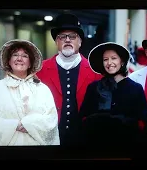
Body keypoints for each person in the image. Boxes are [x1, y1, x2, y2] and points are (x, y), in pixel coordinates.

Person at [36, 13, 102, 146]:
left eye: (72, 36)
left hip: (84, 141)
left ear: (80, 41)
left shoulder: (95, 71)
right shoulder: (40, 69)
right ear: (56, 41)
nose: (67, 40)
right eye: (62, 37)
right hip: (48, 139)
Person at [0, 39, 60, 146]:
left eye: (25, 56)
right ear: (8, 61)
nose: (19, 59)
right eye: (15, 55)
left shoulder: (43, 89)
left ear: (30, 63)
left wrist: (29, 124)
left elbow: (51, 120)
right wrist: (14, 125)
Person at [79, 42, 147, 146]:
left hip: (126, 149)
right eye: (105, 59)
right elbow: (83, 119)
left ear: (122, 61)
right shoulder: (93, 87)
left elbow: (143, 124)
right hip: (96, 147)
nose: (109, 62)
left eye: (114, 58)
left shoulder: (135, 88)